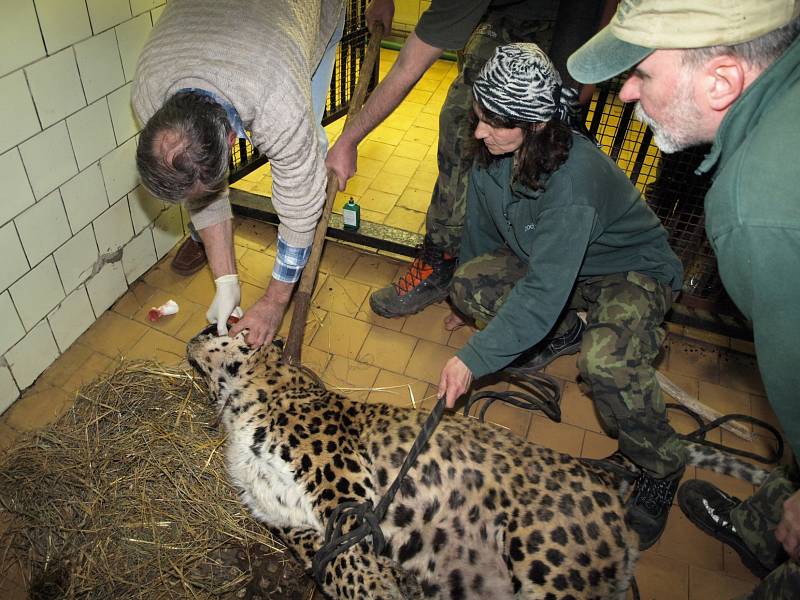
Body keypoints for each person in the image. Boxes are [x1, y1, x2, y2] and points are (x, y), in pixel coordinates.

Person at [567, 0, 800, 594]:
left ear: (721, 80)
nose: (623, 93)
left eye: (641, 73)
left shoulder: (757, 209)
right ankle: (760, 526)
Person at [435, 42, 685, 551]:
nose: (480, 131)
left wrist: (474, 359)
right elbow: (481, 231)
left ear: (532, 125)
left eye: (493, 122)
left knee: (606, 363)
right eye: (479, 118)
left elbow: (545, 289)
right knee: (468, 286)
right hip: (566, 266)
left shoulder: (573, 182)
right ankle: (566, 329)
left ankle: (662, 464)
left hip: (630, 273)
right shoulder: (495, 153)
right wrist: (467, 301)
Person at [326, 0, 565, 319]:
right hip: (496, 15)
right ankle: (443, 258)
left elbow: (408, 65)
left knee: (536, 144)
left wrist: (572, 91)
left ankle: (505, 269)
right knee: (462, 123)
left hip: (566, 20)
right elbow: (408, 65)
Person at [132, 0, 344, 346]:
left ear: (231, 140)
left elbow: (301, 209)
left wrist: (276, 301)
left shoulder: (279, 99)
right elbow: (200, 185)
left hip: (304, 17)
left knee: (307, 154)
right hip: (232, 37)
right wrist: (226, 278)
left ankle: (296, 265)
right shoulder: (148, 94)